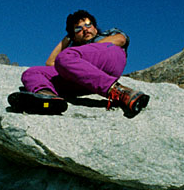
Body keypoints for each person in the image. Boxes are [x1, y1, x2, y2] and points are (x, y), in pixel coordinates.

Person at [8, 10, 149, 115]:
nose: (85, 29)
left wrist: (76, 52)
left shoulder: (106, 35)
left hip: (108, 57)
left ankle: (120, 92)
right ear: (73, 36)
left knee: (65, 57)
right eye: (78, 29)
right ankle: (48, 98)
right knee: (32, 73)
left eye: (88, 24)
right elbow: (50, 62)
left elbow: (121, 40)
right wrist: (68, 39)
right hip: (84, 78)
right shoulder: (73, 50)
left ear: (94, 26)